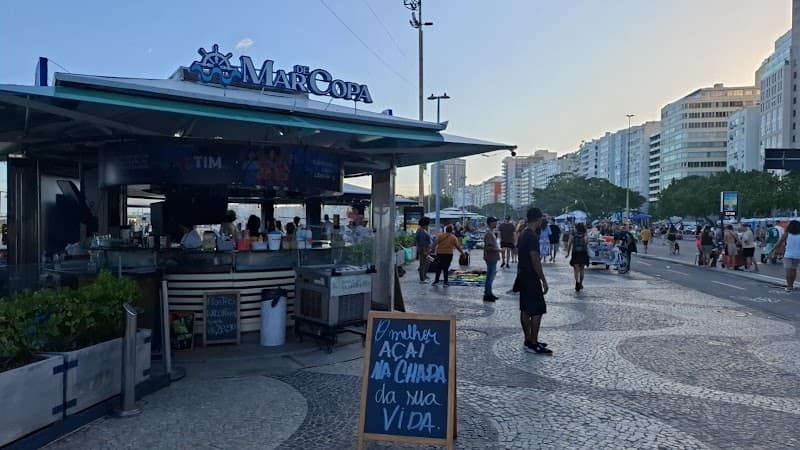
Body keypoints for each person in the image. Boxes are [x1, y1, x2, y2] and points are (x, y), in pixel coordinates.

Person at [514, 207, 551, 354]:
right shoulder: (532, 237)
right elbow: (535, 259)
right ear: (538, 219)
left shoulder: (523, 234)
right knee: (537, 310)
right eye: (542, 218)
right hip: (531, 277)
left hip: (522, 275)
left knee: (525, 309)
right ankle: (533, 343)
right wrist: (543, 279)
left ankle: (528, 339)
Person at [770, 220, 800, 292]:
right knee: (794, 270)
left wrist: (771, 251)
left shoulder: (787, 234)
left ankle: (789, 286)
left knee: (788, 271)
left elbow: (779, 243)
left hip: (788, 255)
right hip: (798, 255)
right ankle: (792, 285)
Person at [566, 222, 590, 291]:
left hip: (575, 253)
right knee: (582, 269)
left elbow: (569, 244)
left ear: (576, 228)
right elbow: (587, 245)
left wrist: (568, 253)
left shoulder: (573, 235)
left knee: (576, 269)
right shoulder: (585, 235)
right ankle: (581, 283)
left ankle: (577, 282)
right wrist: (588, 254)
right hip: (583, 253)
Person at [482, 217, 501, 302]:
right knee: (490, 276)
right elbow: (488, 248)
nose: (496, 223)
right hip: (490, 257)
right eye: (495, 222)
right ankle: (488, 294)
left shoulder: (491, 232)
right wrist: (499, 250)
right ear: (490, 223)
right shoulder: (489, 234)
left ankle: (488, 292)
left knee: (490, 276)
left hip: (492, 257)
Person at [415, 217, 433, 283]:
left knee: (427, 263)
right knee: (423, 264)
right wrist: (424, 251)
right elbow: (421, 243)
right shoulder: (421, 231)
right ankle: (422, 278)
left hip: (427, 250)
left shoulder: (423, 230)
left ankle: (424, 275)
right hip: (424, 250)